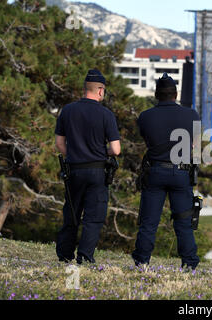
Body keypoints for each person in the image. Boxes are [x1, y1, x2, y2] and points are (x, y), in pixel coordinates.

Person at [132, 73, 200, 270]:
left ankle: (142, 261)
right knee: (183, 222)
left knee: (149, 222)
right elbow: (195, 145)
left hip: (155, 171)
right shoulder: (192, 115)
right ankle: (189, 263)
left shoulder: (145, 116)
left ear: (156, 94)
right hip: (181, 172)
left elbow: (147, 141)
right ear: (176, 94)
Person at [55, 69, 121, 264]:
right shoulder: (106, 114)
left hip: (73, 169)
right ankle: (84, 256)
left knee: (72, 213)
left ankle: (65, 255)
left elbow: (60, 144)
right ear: (100, 90)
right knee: (94, 216)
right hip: (97, 171)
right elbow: (116, 149)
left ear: (85, 89)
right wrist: (102, 152)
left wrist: (75, 153)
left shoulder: (67, 111)